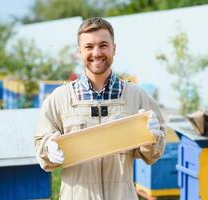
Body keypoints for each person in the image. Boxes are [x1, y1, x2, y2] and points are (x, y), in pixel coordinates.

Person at [34, 17, 166, 200]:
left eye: (103, 45)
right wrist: (48, 148)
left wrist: (152, 138)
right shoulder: (59, 99)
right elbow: (42, 151)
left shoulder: (137, 96)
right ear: (79, 51)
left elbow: (152, 155)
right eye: (89, 47)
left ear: (114, 48)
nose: (96, 53)